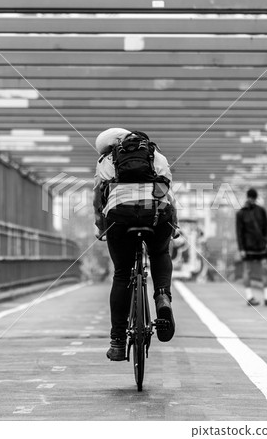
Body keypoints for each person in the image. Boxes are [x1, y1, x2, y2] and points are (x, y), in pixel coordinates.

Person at [93, 128, 179, 361]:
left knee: (122, 274)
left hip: (120, 215)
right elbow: (168, 193)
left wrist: (102, 228)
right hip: (156, 213)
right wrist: (174, 225)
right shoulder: (155, 156)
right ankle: (162, 296)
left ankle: (118, 342)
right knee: (160, 252)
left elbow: (98, 201)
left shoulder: (106, 160)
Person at [235, 188, 267, 307]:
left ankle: (264, 297)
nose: (251, 200)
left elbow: (240, 232)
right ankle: (259, 297)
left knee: (257, 270)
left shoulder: (244, 213)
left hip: (253, 246)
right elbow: (265, 228)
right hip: (256, 246)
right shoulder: (249, 212)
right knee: (259, 270)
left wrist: (242, 248)